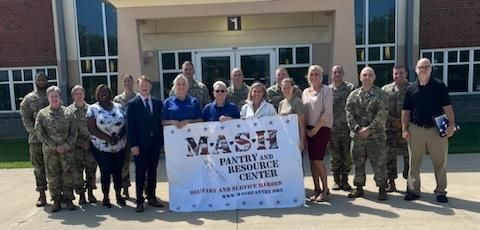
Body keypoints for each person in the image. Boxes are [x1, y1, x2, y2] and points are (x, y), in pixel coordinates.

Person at [402, 58, 456, 203]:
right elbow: (406, 111)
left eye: (426, 67)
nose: (423, 69)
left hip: (436, 130)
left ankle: (440, 192)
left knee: (440, 162)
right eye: (420, 67)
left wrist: (451, 125)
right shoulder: (411, 88)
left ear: (431, 69)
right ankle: (413, 191)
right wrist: (404, 129)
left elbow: (448, 108)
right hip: (416, 129)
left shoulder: (440, 86)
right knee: (414, 162)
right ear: (416, 70)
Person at [345, 66, 388, 201]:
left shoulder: (381, 94)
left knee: (379, 163)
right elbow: (349, 113)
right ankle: (358, 188)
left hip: (375, 137)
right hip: (358, 137)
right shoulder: (353, 95)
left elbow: (382, 114)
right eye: (364, 75)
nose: (367, 77)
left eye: (370, 75)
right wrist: (358, 129)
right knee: (358, 163)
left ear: (374, 77)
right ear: (360, 77)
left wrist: (369, 129)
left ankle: (382, 189)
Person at [35, 86, 77, 212]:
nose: (54, 99)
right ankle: (56, 201)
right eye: (51, 96)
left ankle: (69, 200)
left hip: (66, 151)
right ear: (48, 98)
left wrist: (66, 146)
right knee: (53, 176)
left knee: (68, 175)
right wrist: (53, 146)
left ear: (60, 97)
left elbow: (73, 133)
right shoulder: (42, 114)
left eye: (56, 96)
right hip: (50, 152)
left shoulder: (69, 113)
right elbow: (40, 133)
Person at [127, 75, 165, 213]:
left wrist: (161, 142)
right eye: (142, 85)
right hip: (139, 146)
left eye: (147, 85)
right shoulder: (132, 104)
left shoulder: (157, 103)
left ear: (150, 86)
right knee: (140, 173)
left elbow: (160, 125)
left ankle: (152, 197)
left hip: (154, 145)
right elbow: (130, 127)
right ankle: (139, 201)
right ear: (138, 86)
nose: (144, 87)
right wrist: (133, 145)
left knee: (153, 171)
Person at [87, 84, 127, 208]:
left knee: (118, 172)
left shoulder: (119, 106)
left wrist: (119, 136)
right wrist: (108, 138)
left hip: (119, 145)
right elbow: (91, 129)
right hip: (101, 147)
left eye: (106, 92)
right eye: (101, 92)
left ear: (110, 93)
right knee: (105, 172)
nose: (103, 94)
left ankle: (119, 195)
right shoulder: (92, 108)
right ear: (97, 95)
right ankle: (105, 197)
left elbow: (126, 123)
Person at [302, 65, 333, 202]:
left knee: (318, 160)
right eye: (311, 74)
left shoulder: (327, 90)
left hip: (321, 129)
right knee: (311, 161)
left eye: (316, 74)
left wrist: (315, 130)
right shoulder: (305, 92)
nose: (314, 77)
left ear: (321, 75)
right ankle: (316, 189)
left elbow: (327, 113)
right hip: (308, 129)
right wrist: (305, 130)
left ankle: (325, 189)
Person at [19, 72, 49, 207]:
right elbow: (25, 118)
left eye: (43, 79)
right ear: (35, 81)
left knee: (55, 167)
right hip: (36, 140)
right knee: (39, 168)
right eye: (39, 79)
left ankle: (57, 193)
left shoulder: (52, 95)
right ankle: (42, 194)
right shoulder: (29, 98)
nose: (41, 81)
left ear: (46, 80)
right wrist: (36, 132)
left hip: (52, 139)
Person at [381, 65, 411, 192]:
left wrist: (403, 122)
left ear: (406, 74)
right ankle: (391, 183)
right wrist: (393, 120)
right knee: (389, 157)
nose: (398, 75)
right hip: (390, 129)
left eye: (401, 73)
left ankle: (410, 184)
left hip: (407, 130)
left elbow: (415, 108)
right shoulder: (386, 89)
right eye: (395, 73)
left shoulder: (412, 88)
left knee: (409, 157)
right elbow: (382, 108)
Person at [67, 85, 97, 205]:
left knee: (91, 170)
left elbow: (96, 127)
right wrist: (79, 142)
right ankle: (81, 195)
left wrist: (89, 142)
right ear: (73, 96)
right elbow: (67, 131)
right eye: (76, 94)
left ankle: (90, 193)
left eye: (80, 93)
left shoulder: (92, 109)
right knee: (77, 172)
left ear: (84, 95)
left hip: (90, 145)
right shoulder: (68, 111)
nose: (78, 96)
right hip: (76, 147)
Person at [328, 65, 355, 191]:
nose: (337, 74)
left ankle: (345, 180)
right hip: (332, 129)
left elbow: (355, 107)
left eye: (339, 72)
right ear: (332, 75)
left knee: (347, 156)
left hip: (346, 128)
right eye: (335, 72)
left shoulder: (350, 88)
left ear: (343, 74)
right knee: (335, 156)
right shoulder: (327, 90)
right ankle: (336, 180)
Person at [113, 74, 137, 199]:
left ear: (133, 82)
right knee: (124, 163)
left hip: (136, 135)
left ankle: (143, 189)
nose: (127, 83)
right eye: (125, 81)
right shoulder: (117, 99)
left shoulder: (138, 97)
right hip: (122, 136)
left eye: (129, 81)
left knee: (140, 163)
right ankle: (125, 188)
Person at [278, 78, 306, 153]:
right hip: (286, 139)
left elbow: (302, 124)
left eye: (288, 87)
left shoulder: (297, 102)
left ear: (292, 88)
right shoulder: (281, 103)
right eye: (284, 88)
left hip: (296, 138)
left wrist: (302, 141)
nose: (286, 90)